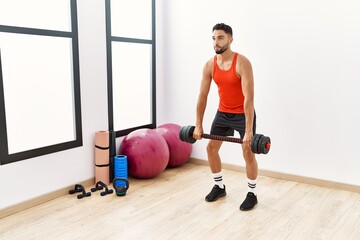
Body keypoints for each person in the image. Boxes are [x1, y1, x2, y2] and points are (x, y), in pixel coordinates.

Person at [193, 23, 258, 211]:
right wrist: (198, 125)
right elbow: (202, 96)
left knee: (248, 151)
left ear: (230, 39)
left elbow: (249, 98)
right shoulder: (209, 65)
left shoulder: (242, 62)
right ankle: (219, 186)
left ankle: (252, 193)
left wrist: (248, 131)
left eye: (220, 38)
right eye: (214, 38)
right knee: (211, 148)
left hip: (243, 113)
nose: (216, 42)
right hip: (223, 113)